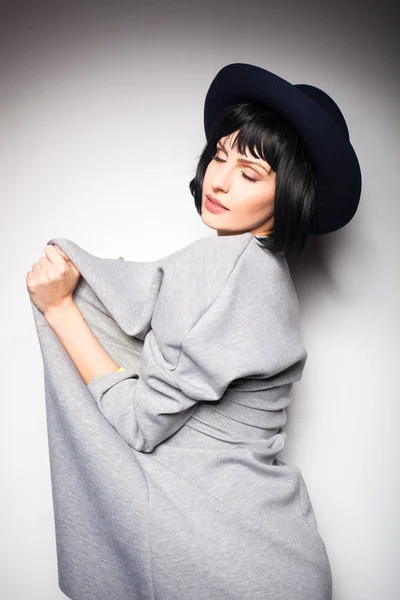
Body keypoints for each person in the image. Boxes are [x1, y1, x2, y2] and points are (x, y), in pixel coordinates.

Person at [26, 63, 362, 600]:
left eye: (250, 174)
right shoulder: (265, 277)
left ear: (289, 196)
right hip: (278, 551)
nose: (220, 180)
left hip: (216, 558)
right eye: (219, 157)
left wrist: (64, 308)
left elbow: (140, 425)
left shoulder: (224, 266)